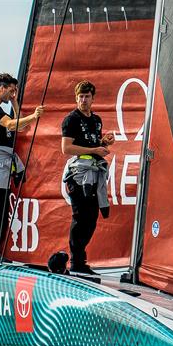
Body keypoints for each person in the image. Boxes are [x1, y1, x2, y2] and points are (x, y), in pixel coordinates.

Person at [0, 73, 44, 261]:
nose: (12, 94)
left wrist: (15, 104)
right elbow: (12, 125)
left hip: (4, 164)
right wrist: (34, 116)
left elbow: (20, 127)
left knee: (3, 208)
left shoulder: (0, 108)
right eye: (11, 91)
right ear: (2, 88)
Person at [61, 80, 115, 275]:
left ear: (93, 98)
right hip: (78, 174)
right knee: (80, 217)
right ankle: (76, 262)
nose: (83, 100)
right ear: (76, 98)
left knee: (92, 218)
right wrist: (94, 149)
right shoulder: (71, 119)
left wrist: (104, 142)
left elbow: (94, 142)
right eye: (80, 97)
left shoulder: (96, 119)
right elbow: (66, 148)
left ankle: (80, 259)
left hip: (94, 172)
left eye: (87, 96)